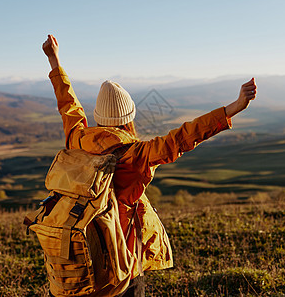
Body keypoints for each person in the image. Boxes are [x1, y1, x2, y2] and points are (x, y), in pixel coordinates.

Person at [42, 34, 257, 297]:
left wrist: (54, 59)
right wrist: (232, 108)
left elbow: (69, 107)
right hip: (122, 263)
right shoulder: (135, 154)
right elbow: (180, 139)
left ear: (97, 117)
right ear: (129, 117)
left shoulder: (78, 138)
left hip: (81, 255)